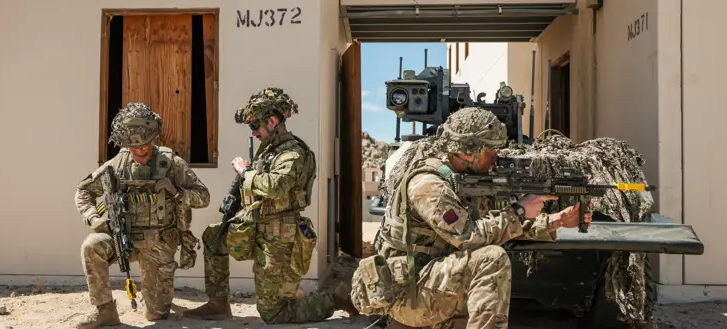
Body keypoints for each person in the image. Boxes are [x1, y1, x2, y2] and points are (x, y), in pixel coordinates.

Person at [350, 107, 592, 329]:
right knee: (491, 258)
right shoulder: (428, 184)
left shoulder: (463, 181)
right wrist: (518, 211)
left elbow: (493, 224)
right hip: (409, 295)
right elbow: (469, 236)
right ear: (467, 152)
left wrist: (556, 221)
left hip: (429, 286)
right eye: (491, 149)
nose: (497, 155)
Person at [183, 87, 358, 323]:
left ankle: (335, 299)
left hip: (279, 236)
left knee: (274, 314)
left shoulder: (293, 153)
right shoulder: (270, 151)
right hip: (254, 225)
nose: (254, 132)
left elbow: (275, 186)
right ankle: (218, 304)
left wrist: (246, 171)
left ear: (273, 121)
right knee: (213, 239)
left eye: (256, 126)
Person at [74, 102, 210, 328]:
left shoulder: (171, 164)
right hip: (124, 238)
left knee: (155, 315)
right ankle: (105, 310)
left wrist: (177, 194)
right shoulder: (118, 164)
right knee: (91, 245)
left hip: (159, 242)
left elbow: (203, 196)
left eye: (143, 147)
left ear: (153, 139)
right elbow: (83, 190)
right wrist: (94, 218)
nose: (138, 152)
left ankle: (155, 297)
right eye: (132, 147)